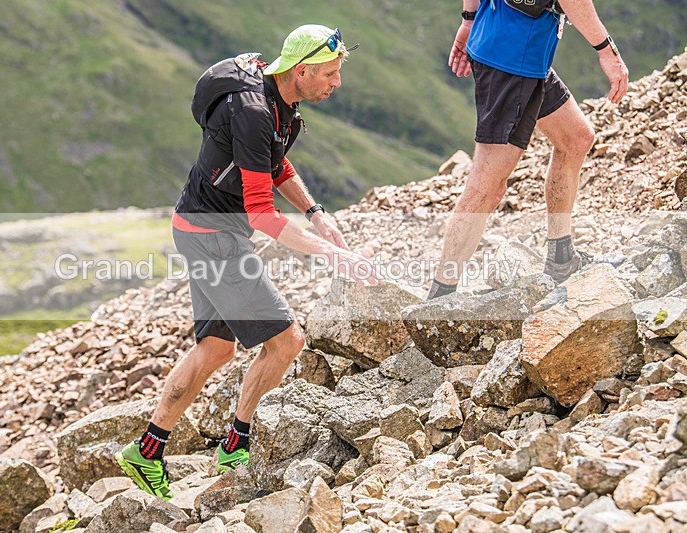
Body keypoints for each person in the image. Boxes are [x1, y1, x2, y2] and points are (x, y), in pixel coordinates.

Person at [115, 24, 379, 500]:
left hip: (198, 228)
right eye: (330, 74)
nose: (337, 83)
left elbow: (274, 164)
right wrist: (334, 255)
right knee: (287, 341)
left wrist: (317, 214)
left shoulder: (279, 102)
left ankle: (147, 450)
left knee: (216, 350)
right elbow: (261, 214)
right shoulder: (255, 111)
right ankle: (236, 445)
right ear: (302, 71)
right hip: (215, 239)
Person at [427, 0, 629, 299]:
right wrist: (607, 51)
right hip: (513, 63)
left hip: (519, 53)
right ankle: (439, 298)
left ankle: (561, 259)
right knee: (487, 187)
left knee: (576, 139)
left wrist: (469, 20)